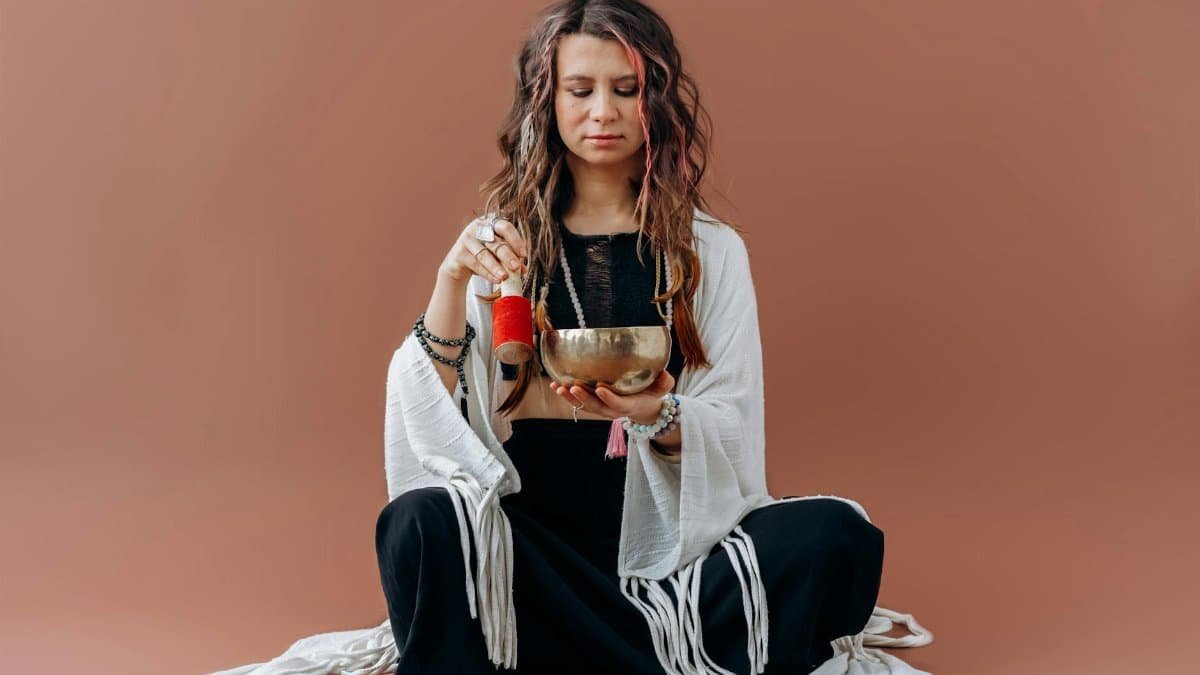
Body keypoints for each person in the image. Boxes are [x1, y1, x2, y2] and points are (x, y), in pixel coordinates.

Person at [212, 1, 933, 674]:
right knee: (418, 522)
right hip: (533, 546)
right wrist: (451, 278)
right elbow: (427, 416)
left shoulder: (710, 252)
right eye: (580, 89)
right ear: (546, 101)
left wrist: (658, 412)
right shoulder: (505, 245)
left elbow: (736, 427)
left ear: (656, 102)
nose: (603, 112)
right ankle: (635, 653)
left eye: (626, 89)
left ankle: (559, 650)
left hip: (672, 559)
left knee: (835, 535)